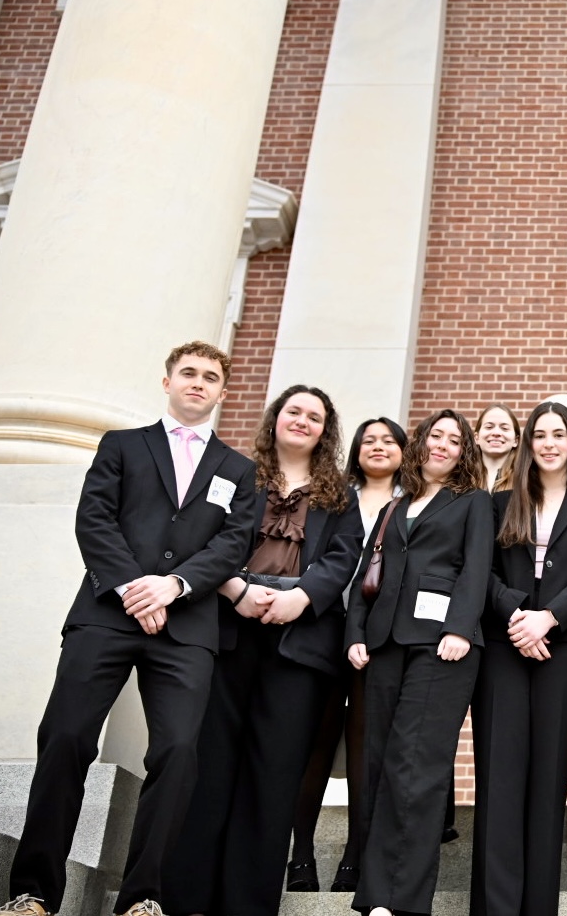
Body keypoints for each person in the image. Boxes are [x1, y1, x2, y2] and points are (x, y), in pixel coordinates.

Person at [0, 341, 258, 916]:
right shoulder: (121, 446)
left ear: (221, 392)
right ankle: (33, 892)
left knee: (179, 753)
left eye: (210, 377)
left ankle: (142, 899)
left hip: (187, 629)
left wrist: (174, 586)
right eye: (188, 373)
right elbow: (94, 519)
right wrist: (136, 589)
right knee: (65, 738)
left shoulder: (239, 470)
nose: (198, 383)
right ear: (167, 382)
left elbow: (233, 543)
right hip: (105, 615)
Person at [163, 384, 364, 916]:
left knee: (274, 775)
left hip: (299, 645)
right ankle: (187, 900)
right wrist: (234, 589)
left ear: (326, 431)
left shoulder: (340, 495)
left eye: (314, 416)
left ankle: (247, 904)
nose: (302, 421)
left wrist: (301, 597)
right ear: (275, 418)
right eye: (294, 411)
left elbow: (345, 558)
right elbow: (203, 542)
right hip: (226, 631)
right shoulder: (233, 474)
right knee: (210, 766)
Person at [470, 401, 567, 916]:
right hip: (504, 646)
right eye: (541, 434)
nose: (550, 443)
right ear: (528, 443)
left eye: (560, 434)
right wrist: (518, 614)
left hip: (566, 649)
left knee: (550, 776)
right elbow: (481, 569)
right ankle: (494, 907)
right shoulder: (499, 501)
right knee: (499, 776)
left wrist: (549, 617)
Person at [345, 410, 493, 916]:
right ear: (422, 444)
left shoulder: (473, 502)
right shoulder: (396, 504)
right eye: (437, 436)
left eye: (455, 440)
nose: (444, 446)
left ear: (464, 452)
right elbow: (370, 570)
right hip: (384, 643)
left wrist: (458, 627)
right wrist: (355, 635)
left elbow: (477, 568)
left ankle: (402, 901)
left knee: (417, 767)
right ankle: (373, 895)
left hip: (442, 647)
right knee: (381, 761)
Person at [287, 416, 408, 894]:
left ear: (404, 450)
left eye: (388, 441)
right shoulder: (332, 499)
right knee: (311, 746)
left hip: (374, 641)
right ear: (355, 450)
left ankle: (355, 858)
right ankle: (300, 857)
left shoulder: (411, 504)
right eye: (368, 441)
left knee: (366, 750)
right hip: (319, 630)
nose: (377, 447)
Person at [476, 403, 521, 493]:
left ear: (516, 440)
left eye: (504, 428)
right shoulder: (461, 478)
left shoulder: (525, 479)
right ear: (476, 438)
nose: (496, 433)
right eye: (489, 427)